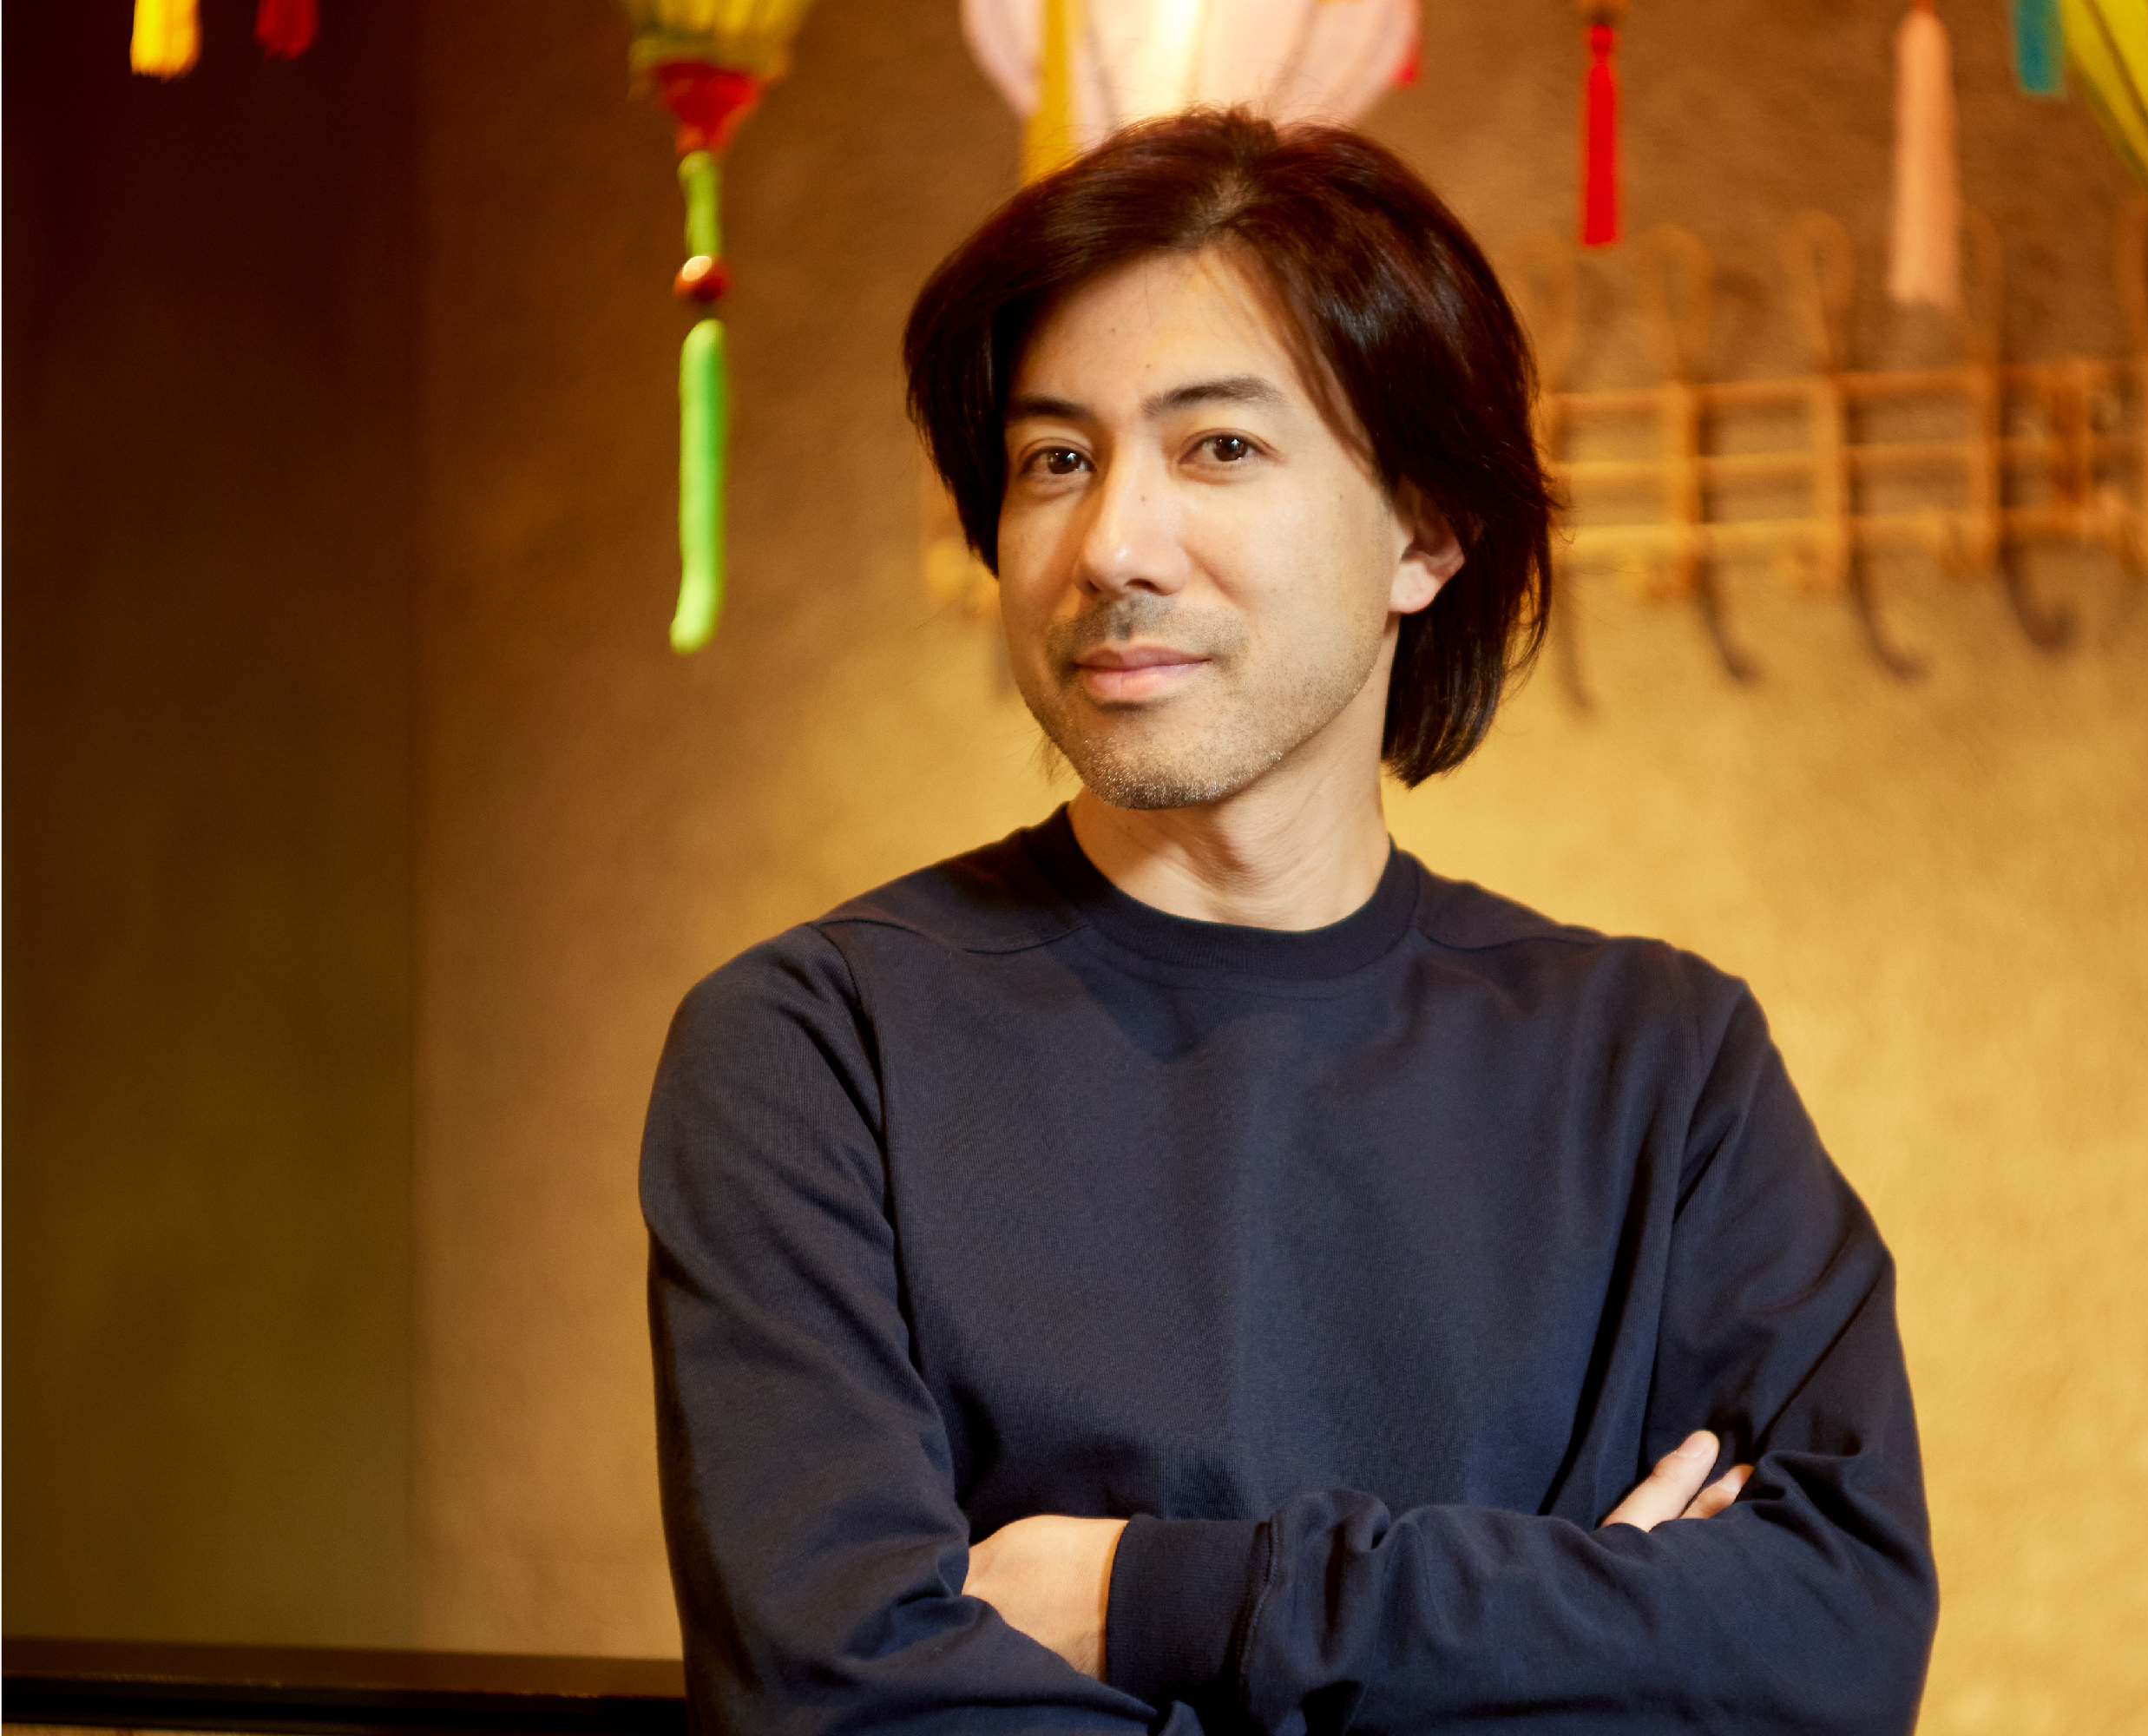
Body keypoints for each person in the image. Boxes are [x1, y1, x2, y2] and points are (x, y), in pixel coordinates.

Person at [641, 109, 1935, 1736]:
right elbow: (855, 1706)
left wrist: (1163, 1599)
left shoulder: (1663, 1069)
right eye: (1055, 461)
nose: (1111, 545)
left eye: (1219, 449)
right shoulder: (813, 1053)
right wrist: (1563, 1637)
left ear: (1426, 530)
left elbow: (1832, 1646)